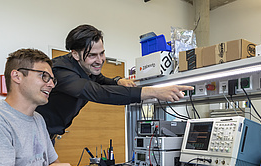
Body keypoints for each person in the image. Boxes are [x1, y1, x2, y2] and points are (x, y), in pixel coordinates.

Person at [36, 24, 193, 138]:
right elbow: (98, 92)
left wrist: (118, 81)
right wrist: (154, 92)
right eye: (92, 56)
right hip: (35, 133)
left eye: (102, 53)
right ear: (75, 54)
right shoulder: (60, 71)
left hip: (49, 133)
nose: (100, 60)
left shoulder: (85, 68)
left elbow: (101, 80)